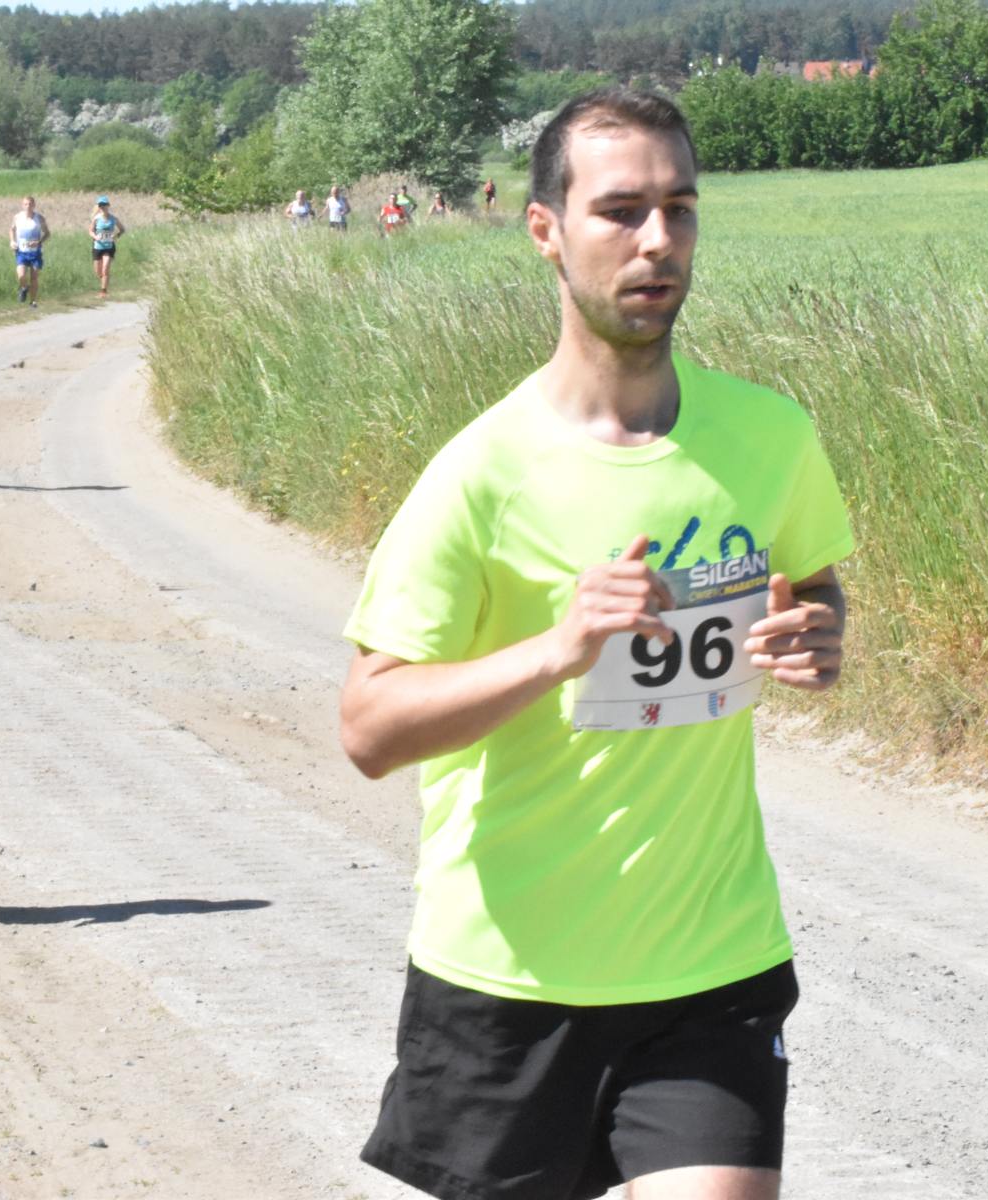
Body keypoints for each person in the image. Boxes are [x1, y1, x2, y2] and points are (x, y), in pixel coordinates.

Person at [339, 89, 852, 1200]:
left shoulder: (769, 435)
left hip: (711, 963)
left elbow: (813, 583)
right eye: (621, 211)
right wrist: (557, 649)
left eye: (680, 208)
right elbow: (369, 727)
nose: (658, 239)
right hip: (507, 980)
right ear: (546, 231)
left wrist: (819, 634)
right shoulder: (480, 475)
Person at [10, 194, 47, 307]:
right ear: (22, 205)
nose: (28, 206)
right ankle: (24, 288)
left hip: (35, 253)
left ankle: (33, 301)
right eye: (25, 204)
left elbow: (47, 233)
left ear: (34, 205)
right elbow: (12, 230)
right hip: (21, 252)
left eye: (30, 204)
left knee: (34, 278)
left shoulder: (39, 218)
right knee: (21, 276)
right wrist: (12, 241)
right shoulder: (17, 217)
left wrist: (39, 242)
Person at [89, 195, 126, 297]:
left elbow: (122, 229)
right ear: (99, 207)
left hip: (109, 247)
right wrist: (95, 237)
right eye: (101, 205)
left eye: (104, 204)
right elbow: (90, 231)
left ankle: (103, 291)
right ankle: (103, 282)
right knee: (98, 271)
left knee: (105, 268)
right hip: (98, 247)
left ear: (108, 205)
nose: (103, 207)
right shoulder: (96, 219)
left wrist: (116, 236)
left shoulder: (113, 219)